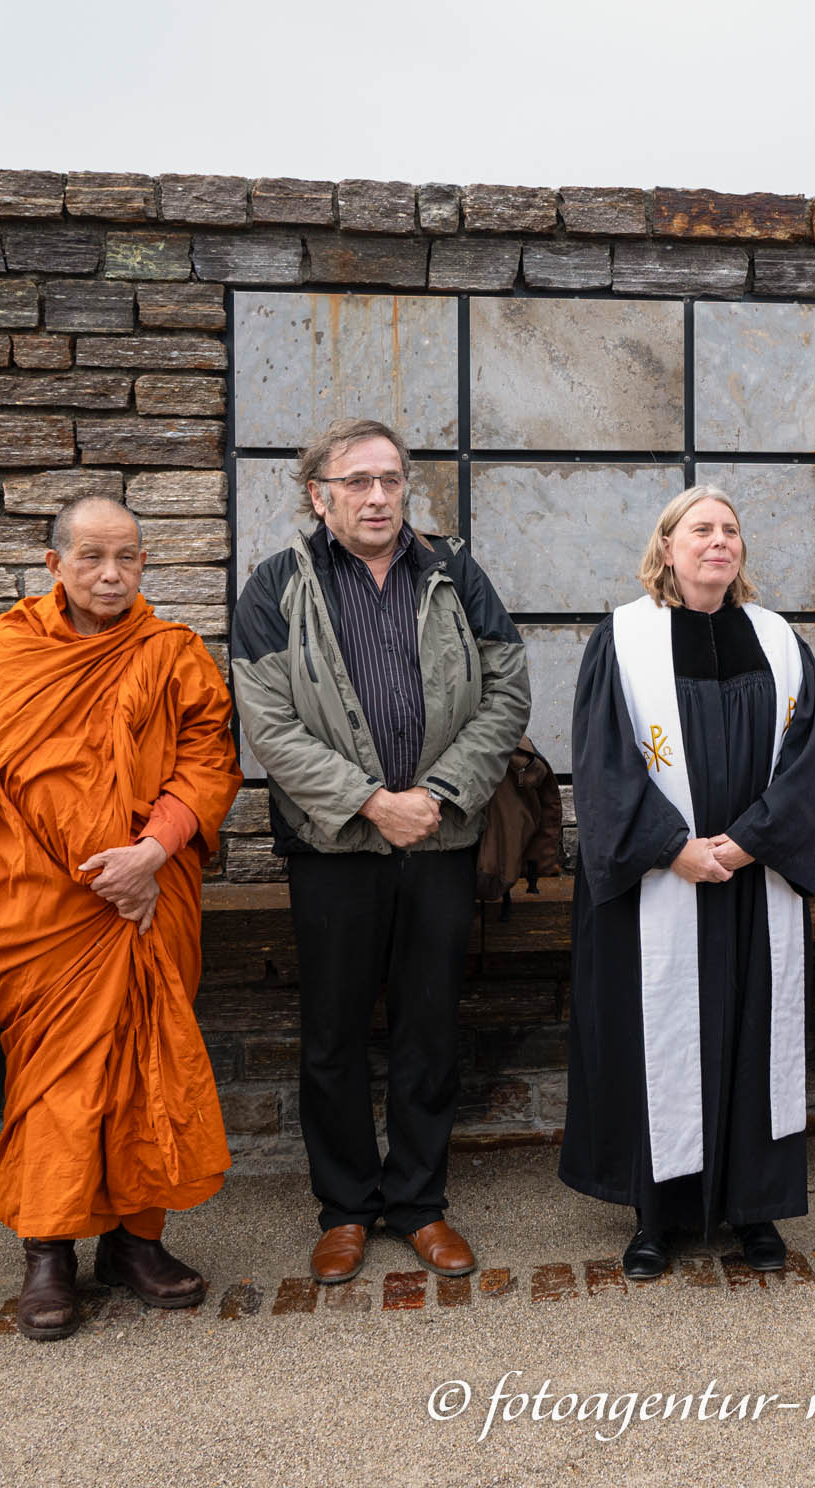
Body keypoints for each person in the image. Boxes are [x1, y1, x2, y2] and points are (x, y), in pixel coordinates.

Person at [232, 418, 531, 1287]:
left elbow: (507, 689)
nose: (376, 496)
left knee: (429, 1024)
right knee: (331, 1031)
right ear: (317, 494)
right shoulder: (276, 585)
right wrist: (368, 801)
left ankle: (419, 1203)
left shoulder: (453, 572)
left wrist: (435, 798)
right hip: (334, 846)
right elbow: (269, 724)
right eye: (356, 481)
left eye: (390, 480)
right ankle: (344, 1209)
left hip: (441, 838)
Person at [0, 497, 243, 1341]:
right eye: (91, 558)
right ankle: (48, 1252)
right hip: (44, 899)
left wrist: (153, 853)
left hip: (151, 887)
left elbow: (208, 759)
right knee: (56, 1076)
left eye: (128, 558)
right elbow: (30, 776)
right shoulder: (18, 648)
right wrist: (118, 873)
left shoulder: (173, 653)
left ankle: (135, 1242)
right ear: (54, 565)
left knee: (148, 1061)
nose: (111, 575)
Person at [560, 486, 815, 1279]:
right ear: (666, 547)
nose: (719, 541)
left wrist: (744, 845)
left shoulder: (778, 641)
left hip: (751, 880)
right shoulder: (622, 638)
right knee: (657, 1039)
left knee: (756, 1030)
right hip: (659, 883)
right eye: (700, 529)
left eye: (731, 530)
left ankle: (756, 1210)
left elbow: (805, 760)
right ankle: (659, 1214)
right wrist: (672, 848)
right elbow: (602, 763)